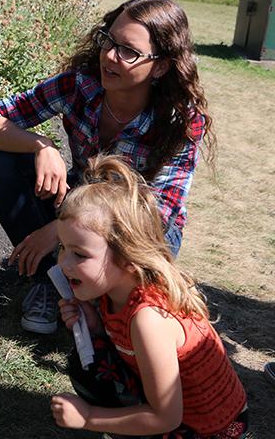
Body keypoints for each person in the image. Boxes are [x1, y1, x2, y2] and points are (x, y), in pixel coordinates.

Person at [0, 0, 215, 334]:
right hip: (83, 198)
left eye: (128, 51)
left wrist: (58, 230)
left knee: (118, 316)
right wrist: (41, 144)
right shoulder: (79, 86)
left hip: (144, 224)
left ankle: (100, 304)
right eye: (108, 41)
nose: (109, 57)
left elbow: (160, 214)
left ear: (160, 66)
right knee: (5, 162)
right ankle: (49, 281)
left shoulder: (180, 121)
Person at [51, 155, 248, 439]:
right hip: (182, 416)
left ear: (129, 257)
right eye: (62, 248)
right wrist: (94, 327)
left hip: (212, 430)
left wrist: (88, 417)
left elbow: (166, 417)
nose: (63, 264)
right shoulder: (114, 291)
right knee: (88, 367)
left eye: (79, 254)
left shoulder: (149, 319)